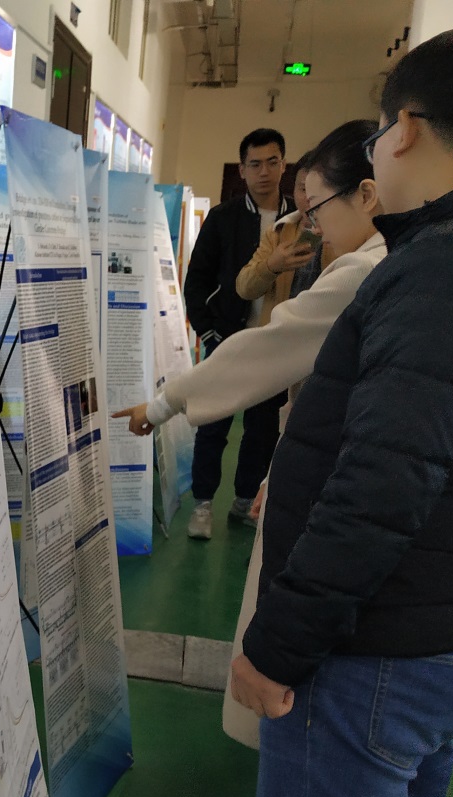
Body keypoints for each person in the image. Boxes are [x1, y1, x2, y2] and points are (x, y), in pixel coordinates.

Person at [230, 28, 453, 797]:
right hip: (449, 626)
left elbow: (385, 483)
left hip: (373, 645)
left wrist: (278, 644)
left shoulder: (451, 265)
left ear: (409, 128)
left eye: (381, 132)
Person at [113, 118, 387, 797]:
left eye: (317, 205)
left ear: (370, 192)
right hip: (322, 492)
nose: (309, 225)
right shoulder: (352, 256)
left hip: (346, 522)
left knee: (310, 689)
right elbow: (226, 309)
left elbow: (270, 350)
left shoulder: (368, 272)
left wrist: (167, 399)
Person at [181, 128, 293, 540]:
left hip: (276, 344)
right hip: (227, 338)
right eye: (254, 164)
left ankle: (245, 501)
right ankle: (203, 504)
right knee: (213, 423)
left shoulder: (300, 219)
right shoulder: (223, 218)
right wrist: (208, 331)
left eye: (272, 162)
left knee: (262, 430)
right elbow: (196, 281)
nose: (264, 172)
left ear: (283, 164)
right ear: (242, 170)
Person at [235, 158, 331, 329]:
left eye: (317, 190)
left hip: (323, 336)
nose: (309, 198)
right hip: (278, 335)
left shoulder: (343, 233)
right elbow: (244, 288)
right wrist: (271, 266)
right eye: (303, 189)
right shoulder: (278, 232)